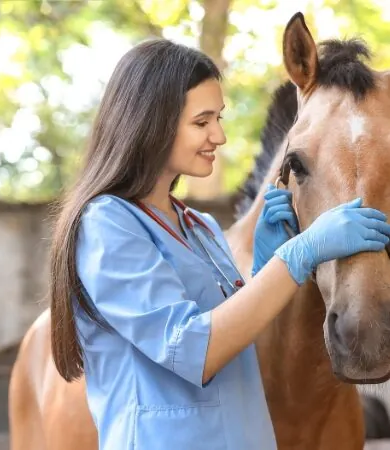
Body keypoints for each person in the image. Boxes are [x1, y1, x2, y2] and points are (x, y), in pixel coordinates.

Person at [48, 39, 390, 450]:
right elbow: (194, 350)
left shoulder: (200, 227)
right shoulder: (107, 225)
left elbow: (235, 336)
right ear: (151, 122)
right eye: (202, 122)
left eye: (220, 118)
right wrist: (300, 253)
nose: (220, 136)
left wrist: (264, 267)